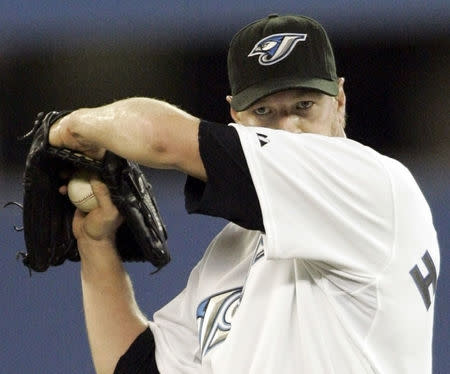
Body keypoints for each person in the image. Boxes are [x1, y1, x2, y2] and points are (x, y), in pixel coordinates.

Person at [49, 14, 440, 374]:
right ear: (236, 116)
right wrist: (96, 247)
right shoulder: (233, 253)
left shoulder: (372, 184)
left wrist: (67, 128)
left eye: (304, 106)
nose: (288, 129)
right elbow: (135, 368)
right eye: (265, 113)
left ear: (339, 101)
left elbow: (164, 141)